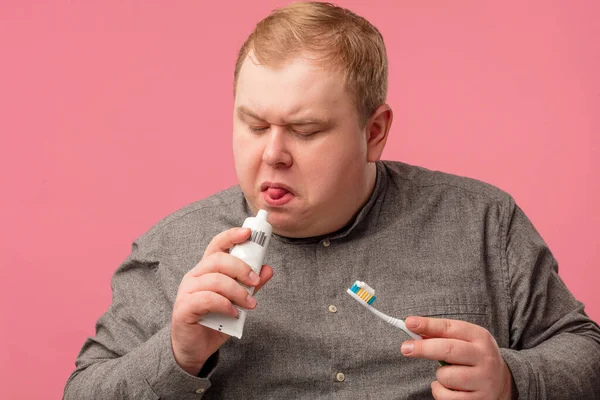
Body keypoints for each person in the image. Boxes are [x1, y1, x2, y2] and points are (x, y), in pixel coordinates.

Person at [63, 2, 600, 399]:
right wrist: (176, 355)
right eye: (253, 125)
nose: (272, 155)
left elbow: (585, 353)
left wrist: (513, 381)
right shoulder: (172, 248)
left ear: (374, 131)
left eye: (307, 130)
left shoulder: (483, 223)